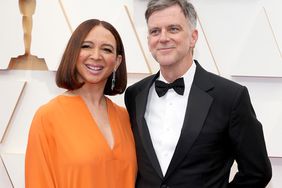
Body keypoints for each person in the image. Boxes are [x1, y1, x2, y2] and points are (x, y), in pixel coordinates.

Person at [124, 0, 272, 187]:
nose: (163, 38)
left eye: (173, 29)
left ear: (193, 37)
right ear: (148, 40)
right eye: (155, 31)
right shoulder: (134, 95)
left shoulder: (230, 96)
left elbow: (257, 171)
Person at [25, 19, 137, 188]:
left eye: (106, 49)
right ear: (73, 53)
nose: (96, 55)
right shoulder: (48, 117)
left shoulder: (124, 117)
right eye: (86, 46)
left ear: (117, 61)